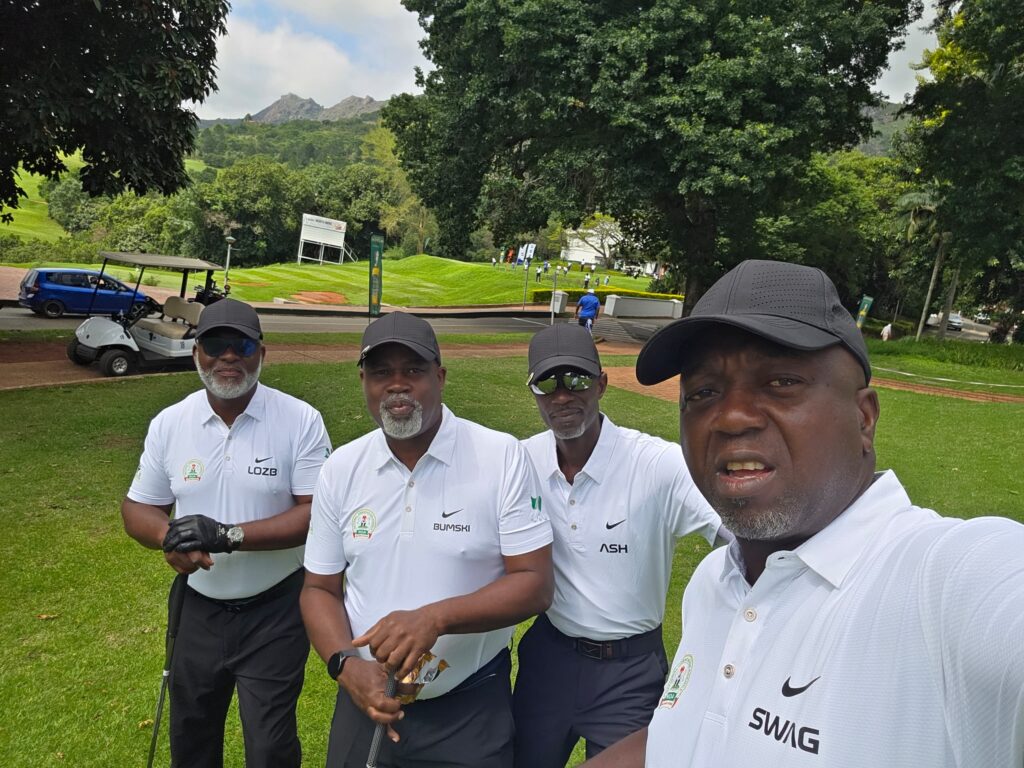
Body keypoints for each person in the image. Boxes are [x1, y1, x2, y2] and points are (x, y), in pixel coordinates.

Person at [585, 259, 1024, 767]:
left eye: (782, 381)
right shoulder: (715, 582)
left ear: (864, 418)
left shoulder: (945, 583)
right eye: (703, 393)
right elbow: (691, 733)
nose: (731, 417)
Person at [301, 311, 555, 768]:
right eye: (381, 372)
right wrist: (345, 665)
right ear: (364, 382)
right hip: (365, 699)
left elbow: (534, 583)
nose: (397, 385)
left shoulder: (500, 456)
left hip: (468, 710)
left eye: (413, 371)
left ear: (440, 377)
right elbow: (319, 588)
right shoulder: (342, 468)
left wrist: (434, 619)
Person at [121, 298, 332, 768]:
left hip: (275, 609)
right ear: (197, 352)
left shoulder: (300, 419)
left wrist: (227, 535)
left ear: (262, 353)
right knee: (192, 736)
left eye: (243, 345)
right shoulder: (171, 423)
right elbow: (138, 507)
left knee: (270, 745)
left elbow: (316, 514)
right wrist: (170, 537)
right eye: (215, 345)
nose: (229, 356)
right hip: (196, 607)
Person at [513, 324, 726, 767]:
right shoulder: (521, 461)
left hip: (629, 669)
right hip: (550, 657)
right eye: (547, 384)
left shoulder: (658, 464)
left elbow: (737, 531)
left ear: (602, 384)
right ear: (532, 392)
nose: (562, 395)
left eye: (577, 379)